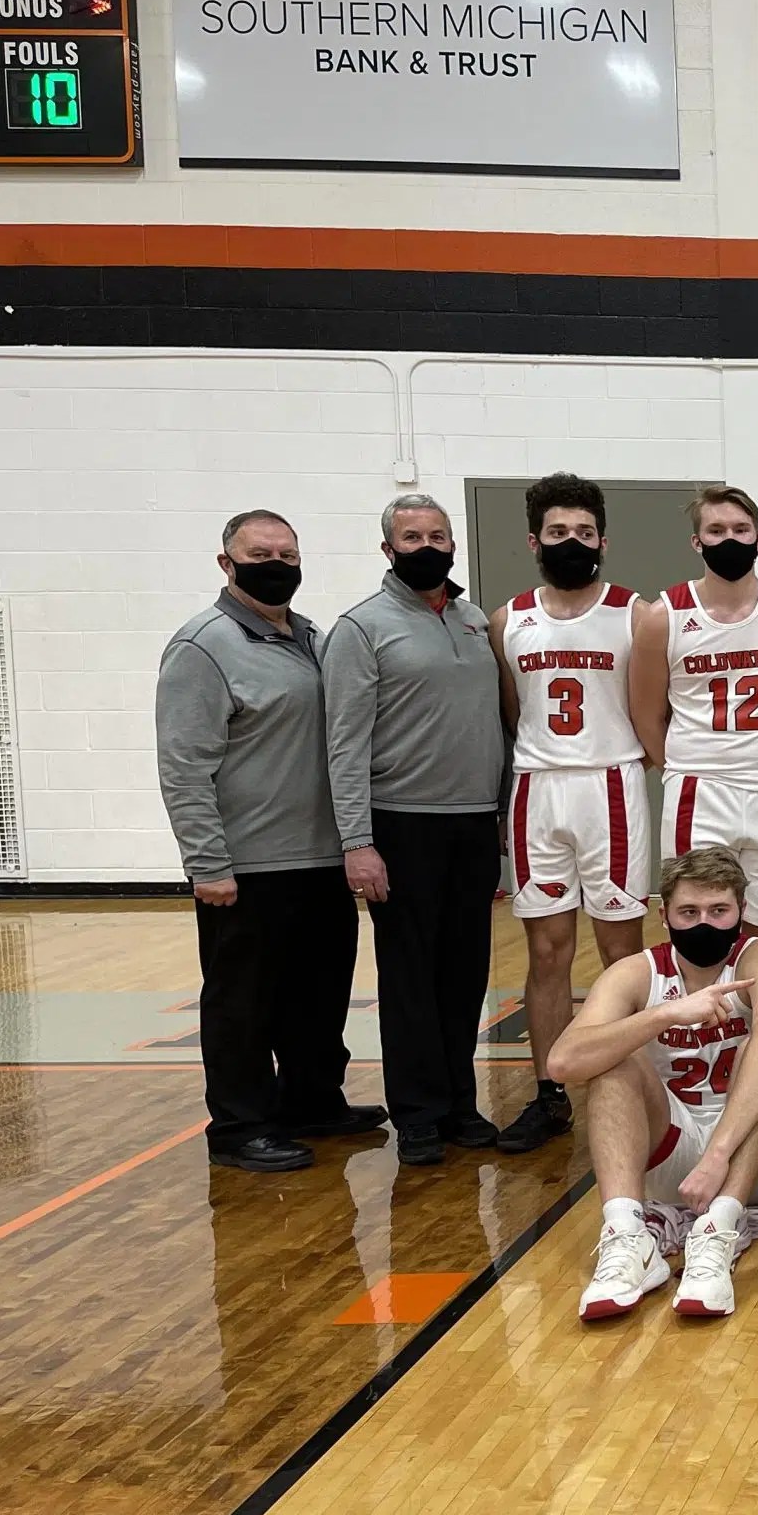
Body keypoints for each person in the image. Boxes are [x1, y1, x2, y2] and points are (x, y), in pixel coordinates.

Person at [156, 509, 371, 1172]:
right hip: (246, 866)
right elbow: (184, 764)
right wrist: (207, 861)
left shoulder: (311, 637)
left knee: (318, 994)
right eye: (260, 553)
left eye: (287, 552)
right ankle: (241, 1126)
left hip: (320, 857)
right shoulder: (203, 646)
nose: (276, 563)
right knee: (243, 1003)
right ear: (227, 563)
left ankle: (311, 1100)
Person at [546, 847, 758, 1322]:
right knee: (612, 1063)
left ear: (741, 913)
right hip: (672, 1158)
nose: (705, 924)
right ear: (664, 915)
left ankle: (720, 1227)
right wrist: (665, 1014)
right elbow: (563, 1062)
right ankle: (628, 1239)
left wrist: (719, 1155)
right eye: (689, 912)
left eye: (718, 911)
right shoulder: (636, 972)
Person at [323, 495, 509, 1166]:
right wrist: (356, 841)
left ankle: (461, 1104)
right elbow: (343, 744)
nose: (425, 545)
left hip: (471, 826)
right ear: (388, 549)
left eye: (437, 534)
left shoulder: (470, 620)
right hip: (400, 827)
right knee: (410, 979)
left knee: (464, 976)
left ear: (453, 544)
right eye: (411, 536)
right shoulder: (362, 628)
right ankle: (420, 1115)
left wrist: (501, 819)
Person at [488, 472, 651, 1157]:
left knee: (621, 950)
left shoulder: (634, 612)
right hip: (538, 789)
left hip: (611, 786)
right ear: (534, 541)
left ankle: (643, 1081)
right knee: (547, 952)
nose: (572, 543)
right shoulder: (509, 618)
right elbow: (509, 712)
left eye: (584, 533)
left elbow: (650, 705)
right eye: (559, 533)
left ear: (603, 540)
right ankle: (551, 1093)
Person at [632, 485, 758, 948]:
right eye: (715, 530)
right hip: (701, 790)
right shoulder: (664, 615)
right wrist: (688, 763)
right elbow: (647, 713)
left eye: (740, 529)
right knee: (702, 936)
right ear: (697, 542)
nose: (729, 538)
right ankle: (702, 1023)